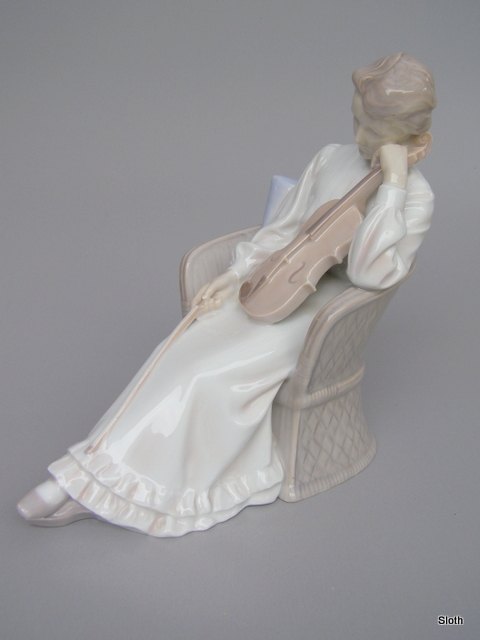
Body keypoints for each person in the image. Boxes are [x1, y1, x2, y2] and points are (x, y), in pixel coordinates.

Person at [17, 53, 436, 537]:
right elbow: (283, 231)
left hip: (325, 314)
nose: (361, 139)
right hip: (282, 284)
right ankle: (90, 470)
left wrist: (393, 185)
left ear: (409, 137)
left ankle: (134, 488)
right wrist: (236, 274)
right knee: (182, 346)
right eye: (357, 122)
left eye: (376, 132)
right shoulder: (330, 158)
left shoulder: (416, 197)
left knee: (206, 374)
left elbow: (368, 273)